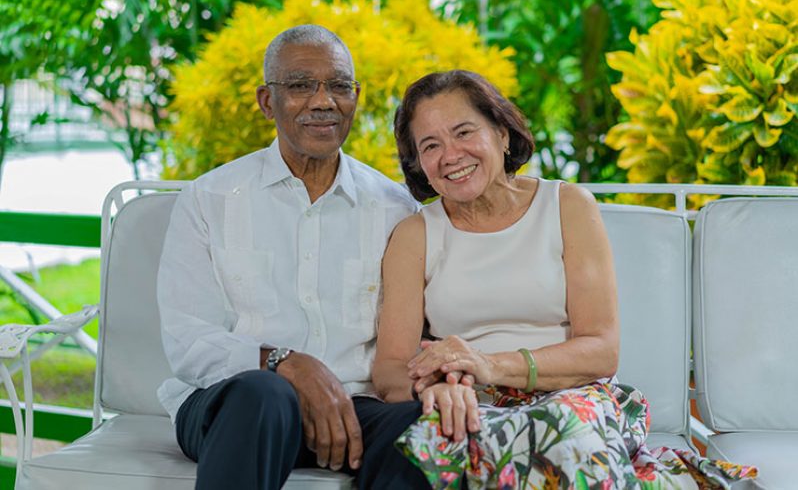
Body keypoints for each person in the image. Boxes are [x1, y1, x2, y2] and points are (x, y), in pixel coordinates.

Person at [373, 70, 757, 488]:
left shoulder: (567, 205)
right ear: (419, 164)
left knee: (564, 434)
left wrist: (488, 364)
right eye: (430, 145)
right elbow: (391, 367)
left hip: (575, 397)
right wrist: (432, 386)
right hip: (475, 403)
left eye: (464, 132)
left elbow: (600, 350)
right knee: (450, 442)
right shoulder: (416, 235)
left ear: (502, 133)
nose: (450, 154)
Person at [156, 25, 429, 490]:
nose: (323, 101)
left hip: (355, 407)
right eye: (301, 85)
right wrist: (283, 362)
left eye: (339, 86)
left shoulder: (396, 209)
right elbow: (188, 340)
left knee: (423, 429)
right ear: (267, 101)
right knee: (266, 395)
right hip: (235, 401)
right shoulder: (210, 198)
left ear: (355, 99)